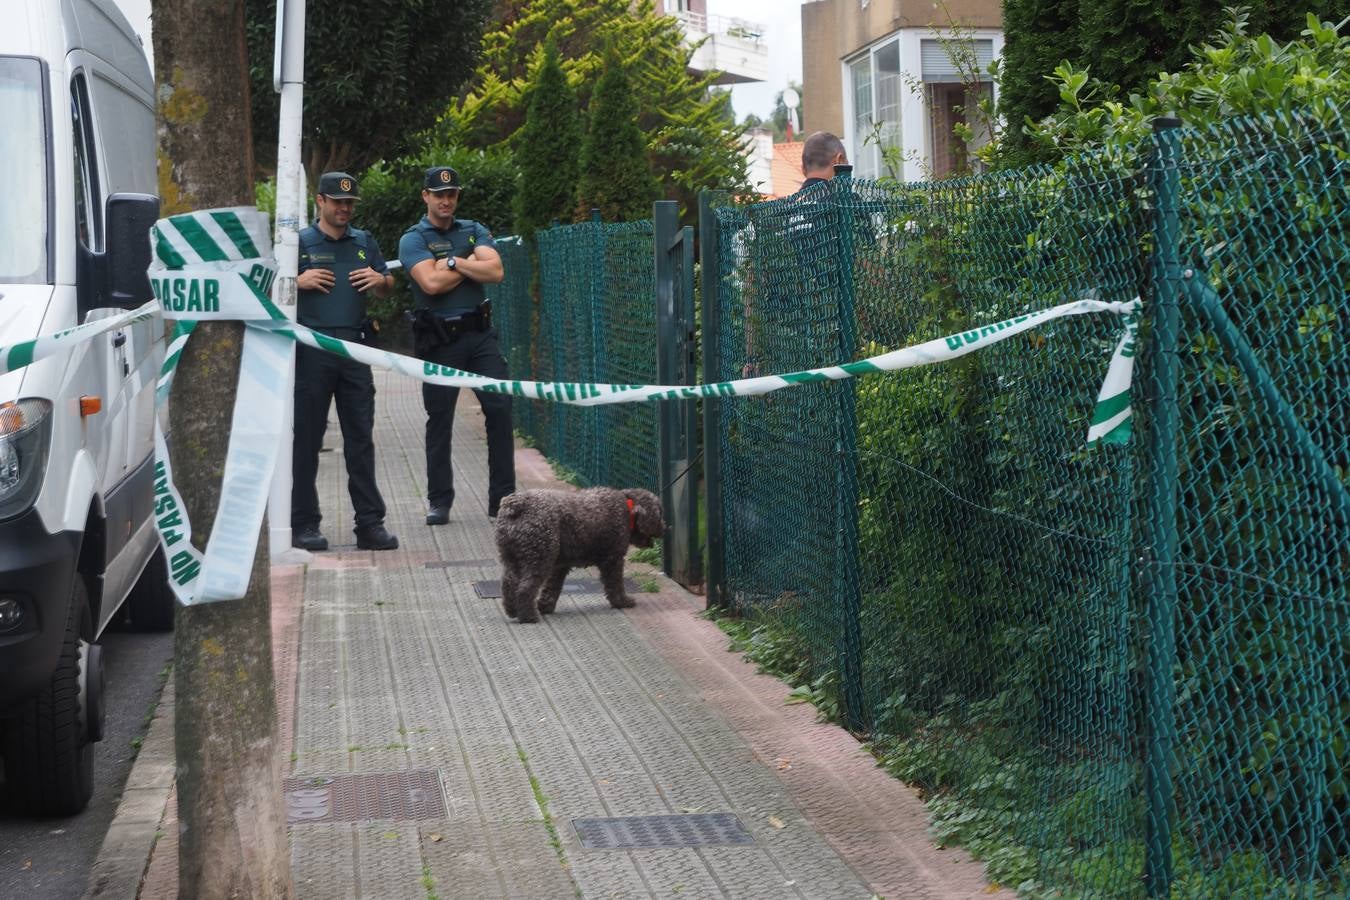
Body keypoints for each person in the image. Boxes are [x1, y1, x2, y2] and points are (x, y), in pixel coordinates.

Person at [398, 166, 515, 525]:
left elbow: (495, 272)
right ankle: (439, 501)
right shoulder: (412, 239)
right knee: (439, 419)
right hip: (439, 340)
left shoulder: (473, 229)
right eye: (439, 194)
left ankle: (504, 501)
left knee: (500, 409)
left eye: (451, 194)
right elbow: (430, 284)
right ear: (426, 197)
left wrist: (452, 261)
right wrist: (470, 264)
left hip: (479, 336)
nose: (446, 200)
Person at [291, 171, 399, 552]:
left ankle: (369, 525)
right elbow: (268, 288)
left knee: (361, 441)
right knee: (305, 440)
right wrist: (295, 281)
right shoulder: (298, 242)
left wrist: (379, 280)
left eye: (349, 203)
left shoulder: (363, 241)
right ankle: (303, 524)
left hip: (355, 350)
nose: (344, 208)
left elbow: (388, 287)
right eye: (337, 201)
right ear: (319, 201)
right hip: (311, 352)